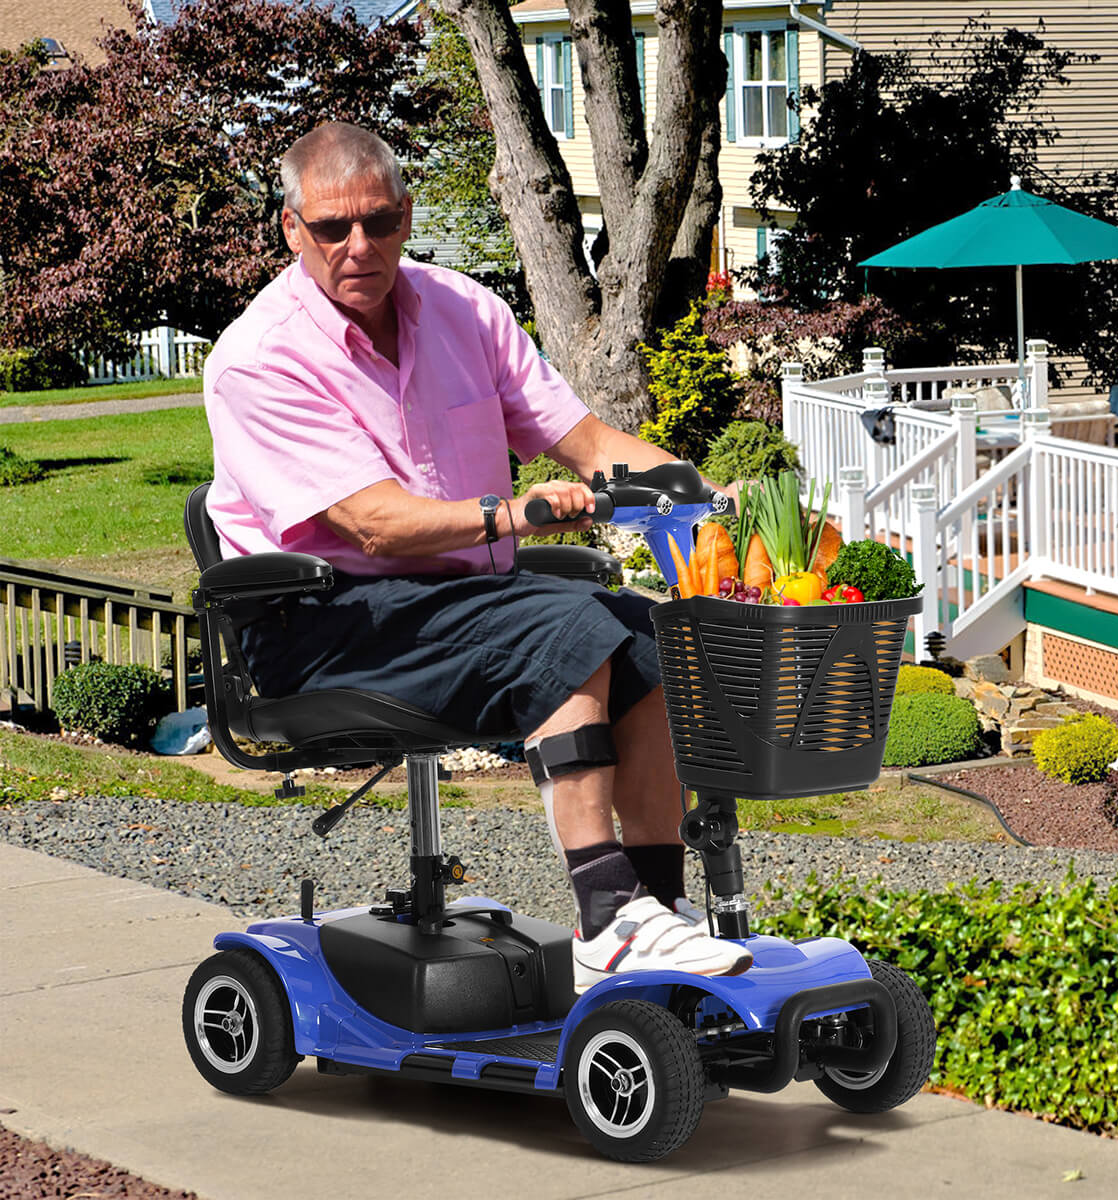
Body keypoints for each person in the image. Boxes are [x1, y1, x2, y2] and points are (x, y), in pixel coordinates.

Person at [203, 121, 751, 992]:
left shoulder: (465, 311)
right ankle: (606, 917)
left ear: (407, 216)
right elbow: (375, 525)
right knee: (562, 626)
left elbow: (586, 442)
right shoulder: (261, 359)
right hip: (321, 622)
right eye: (333, 227)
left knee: (651, 635)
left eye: (379, 223)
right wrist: (516, 515)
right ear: (290, 229)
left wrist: (711, 501)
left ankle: (657, 912)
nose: (359, 246)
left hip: (455, 604)